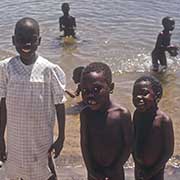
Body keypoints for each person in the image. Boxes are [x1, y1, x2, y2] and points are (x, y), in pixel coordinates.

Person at [0, 17, 66, 180]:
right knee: (16, 172)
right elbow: (2, 105)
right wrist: (0, 137)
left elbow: (60, 104)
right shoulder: (5, 68)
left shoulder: (50, 70)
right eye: (21, 39)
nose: (26, 43)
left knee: (45, 171)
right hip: (15, 139)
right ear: (14, 40)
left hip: (41, 138)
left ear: (39, 41)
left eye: (32, 39)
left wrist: (61, 137)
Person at [80, 62, 133, 180]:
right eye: (85, 90)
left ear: (111, 87)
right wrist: (91, 169)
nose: (90, 95)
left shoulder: (121, 114)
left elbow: (128, 144)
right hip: (94, 171)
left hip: (115, 171)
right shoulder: (86, 114)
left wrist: (116, 166)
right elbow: (85, 144)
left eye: (96, 89)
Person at [132, 75, 174, 180]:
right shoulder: (137, 115)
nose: (138, 97)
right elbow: (134, 140)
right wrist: (136, 161)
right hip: (139, 168)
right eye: (135, 94)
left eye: (144, 93)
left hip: (156, 171)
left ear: (157, 95)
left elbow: (168, 151)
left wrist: (152, 171)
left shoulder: (164, 120)